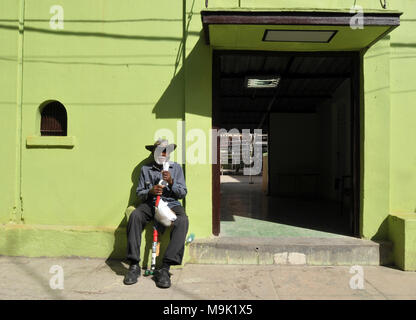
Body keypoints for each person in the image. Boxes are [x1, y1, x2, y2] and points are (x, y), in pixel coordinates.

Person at [124, 139, 189, 289]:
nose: (162, 154)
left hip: (171, 204)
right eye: (159, 151)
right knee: (135, 216)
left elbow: (183, 193)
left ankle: (165, 269)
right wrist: (150, 191)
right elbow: (140, 193)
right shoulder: (145, 169)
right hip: (151, 203)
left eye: (165, 151)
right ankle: (134, 265)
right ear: (153, 153)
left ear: (169, 154)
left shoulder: (176, 168)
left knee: (183, 220)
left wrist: (172, 182)